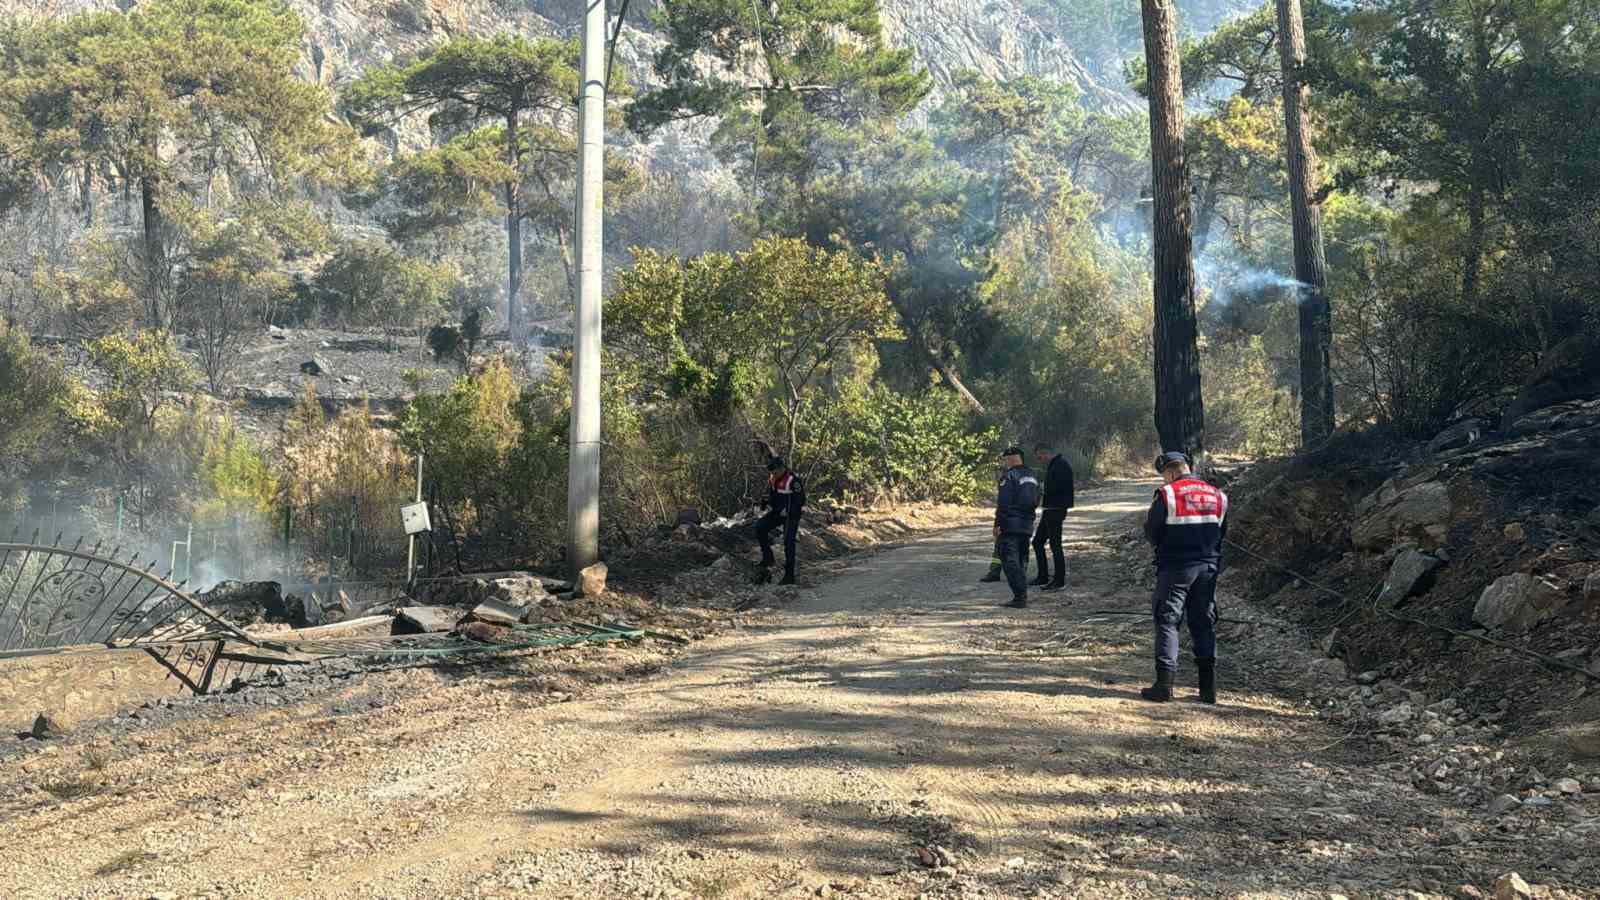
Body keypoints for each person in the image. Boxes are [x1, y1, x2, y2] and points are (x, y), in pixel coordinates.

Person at [1140, 451, 1228, 704]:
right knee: (1203, 622)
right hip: (1208, 569)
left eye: (1165, 476)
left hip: (1176, 568)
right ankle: (1208, 689)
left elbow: (1153, 532)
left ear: (1170, 472)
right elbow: (1222, 532)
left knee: (1168, 621)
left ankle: (1164, 686)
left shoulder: (1167, 494)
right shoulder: (1218, 495)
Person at [993, 446, 1040, 608]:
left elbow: (1003, 503)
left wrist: (998, 524)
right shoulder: (1032, 475)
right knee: (1021, 559)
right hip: (1027, 524)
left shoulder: (1009, 476)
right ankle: (1022, 595)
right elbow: (1036, 499)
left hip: (1011, 524)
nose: (1005, 462)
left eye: (1006, 459)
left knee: (1009, 560)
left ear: (1012, 458)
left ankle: (1020, 597)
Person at [1029, 443, 1075, 592]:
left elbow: (1060, 488)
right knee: (1037, 542)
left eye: (1039, 456)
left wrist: (1043, 489)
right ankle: (1043, 576)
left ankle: (1059, 580)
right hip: (1049, 509)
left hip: (1056, 509)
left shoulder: (1060, 465)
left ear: (1046, 453)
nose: (1039, 460)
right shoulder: (1054, 465)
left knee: (1055, 544)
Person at [756, 456, 806, 586]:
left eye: (775, 472)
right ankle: (768, 558)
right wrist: (766, 502)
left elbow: (800, 500)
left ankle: (789, 575)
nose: (773, 474)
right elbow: (774, 496)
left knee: (788, 541)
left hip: (791, 515)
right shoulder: (773, 479)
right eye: (771, 472)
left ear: (782, 468)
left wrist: (788, 510)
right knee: (760, 526)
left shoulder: (793, 480)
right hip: (778, 513)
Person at [979, 455, 1009, 584]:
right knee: (1018, 546)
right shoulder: (1028, 476)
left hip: (1008, 518)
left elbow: (1002, 503)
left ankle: (995, 572)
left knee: (1000, 546)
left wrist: (997, 523)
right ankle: (1020, 572)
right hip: (1022, 519)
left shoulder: (1007, 478)